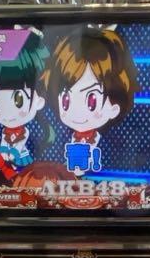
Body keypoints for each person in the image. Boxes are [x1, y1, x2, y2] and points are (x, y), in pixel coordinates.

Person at [42, 26, 138, 176]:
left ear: (114, 107)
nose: (76, 112)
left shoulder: (117, 146)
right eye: (66, 100)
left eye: (91, 101)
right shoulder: (56, 141)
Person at [0, 29, 49, 179]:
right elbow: (4, 144)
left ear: (39, 99)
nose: (7, 111)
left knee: (21, 177)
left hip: (20, 157)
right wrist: (3, 155)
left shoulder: (24, 132)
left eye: (18, 99)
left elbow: (19, 145)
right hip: (6, 160)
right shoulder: (5, 132)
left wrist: (11, 156)